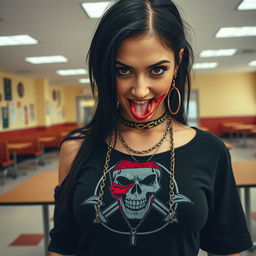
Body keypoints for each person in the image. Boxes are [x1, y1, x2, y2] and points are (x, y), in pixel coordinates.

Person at [48, 0, 252, 255]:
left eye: (157, 69)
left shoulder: (211, 151)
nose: (140, 90)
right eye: (122, 70)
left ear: (178, 63)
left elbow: (226, 248)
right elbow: (63, 246)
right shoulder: (74, 149)